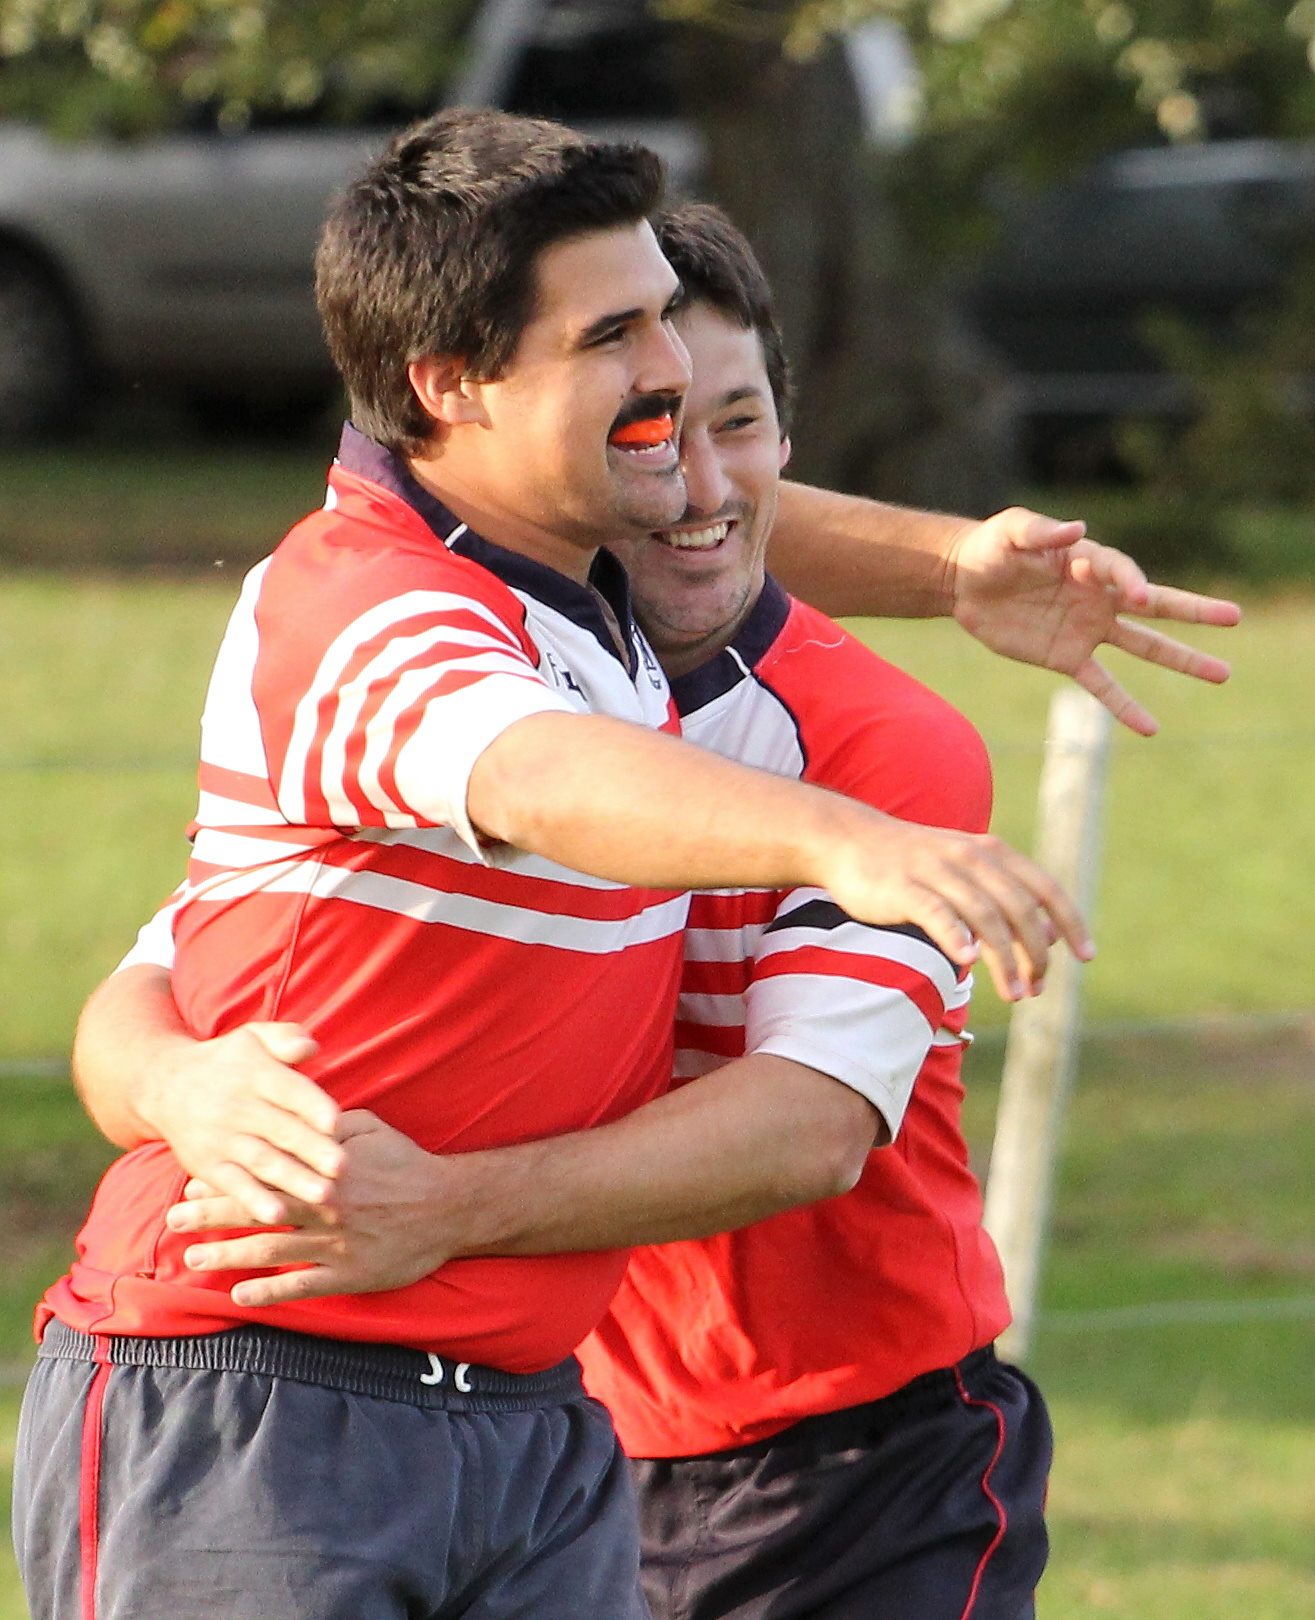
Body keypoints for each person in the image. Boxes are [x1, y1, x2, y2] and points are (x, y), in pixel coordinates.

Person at [65, 199, 1239, 1620]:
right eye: (647, 425)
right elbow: (171, 975)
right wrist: (189, 1086)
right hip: (564, 1427)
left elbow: (807, 1127)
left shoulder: (884, 754)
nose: (692, 480)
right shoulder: (474, 652)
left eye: (736, 422)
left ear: (792, 439)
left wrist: (444, 1211)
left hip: (845, 1462)